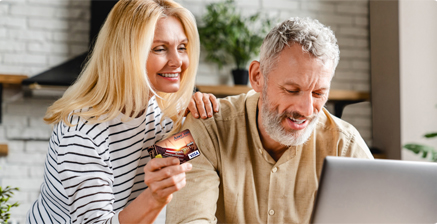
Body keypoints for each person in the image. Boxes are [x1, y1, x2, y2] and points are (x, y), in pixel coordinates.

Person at [26, 0, 219, 223]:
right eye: (160, 48)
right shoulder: (83, 133)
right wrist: (155, 197)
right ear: (127, 54)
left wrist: (198, 120)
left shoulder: (161, 114)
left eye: (182, 47)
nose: (178, 61)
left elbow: (183, 164)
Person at [166, 17, 373, 223]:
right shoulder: (203, 126)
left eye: (318, 94)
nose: (307, 110)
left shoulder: (345, 144)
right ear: (257, 77)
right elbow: (187, 219)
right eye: (292, 90)